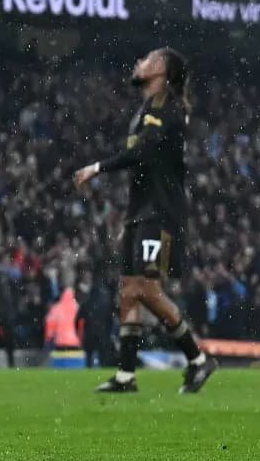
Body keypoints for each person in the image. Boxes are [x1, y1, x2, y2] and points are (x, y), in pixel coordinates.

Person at [74, 48, 217, 394]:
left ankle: (198, 359)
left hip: (160, 212)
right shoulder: (147, 109)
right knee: (128, 291)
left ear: (163, 73)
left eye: (149, 60)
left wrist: (98, 167)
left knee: (146, 289)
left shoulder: (168, 108)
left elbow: (144, 151)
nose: (140, 63)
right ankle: (126, 376)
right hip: (141, 212)